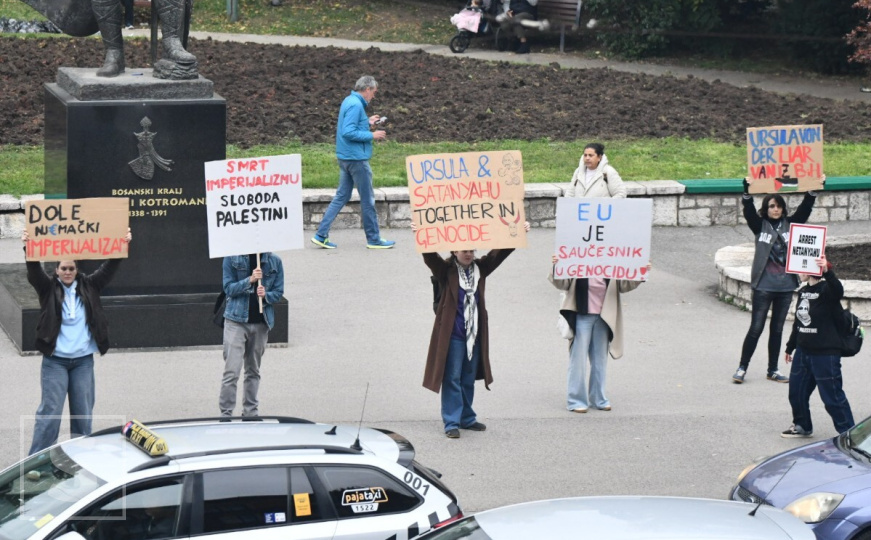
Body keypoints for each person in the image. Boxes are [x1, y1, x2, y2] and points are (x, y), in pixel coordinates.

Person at [23, 229, 132, 455]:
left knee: (83, 415)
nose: (67, 272)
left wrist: (122, 244)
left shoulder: (90, 285)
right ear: (56, 270)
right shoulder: (48, 288)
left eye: (71, 268)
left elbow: (109, 267)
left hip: (83, 362)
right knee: (50, 414)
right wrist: (29, 247)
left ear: (77, 270)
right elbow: (34, 272)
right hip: (55, 362)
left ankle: (81, 460)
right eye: (63, 268)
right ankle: (37, 462)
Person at [420, 223, 529, 439]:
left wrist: (518, 232)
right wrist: (421, 233)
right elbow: (430, 257)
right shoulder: (446, 270)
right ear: (454, 251)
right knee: (452, 378)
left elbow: (500, 253)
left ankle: (467, 418)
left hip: (475, 334)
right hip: (453, 335)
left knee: (468, 377)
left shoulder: (481, 268)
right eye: (464, 250)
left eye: (471, 250)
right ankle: (451, 421)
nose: (469, 254)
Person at [732, 178, 822, 384]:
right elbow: (748, 211)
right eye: (772, 206)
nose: (776, 209)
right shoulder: (759, 226)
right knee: (756, 328)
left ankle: (772, 370)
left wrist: (812, 189)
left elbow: (804, 210)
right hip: (763, 286)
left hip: (786, 287)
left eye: (779, 206)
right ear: (766, 209)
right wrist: (747, 191)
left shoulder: (790, 224)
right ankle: (742, 367)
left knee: (778, 329)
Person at [549, 257, 648, 413]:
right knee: (578, 360)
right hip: (581, 315)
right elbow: (562, 283)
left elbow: (623, 285)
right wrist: (558, 266)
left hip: (603, 317)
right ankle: (576, 401)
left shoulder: (612, 260)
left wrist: (641, 271)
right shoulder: (577, 258)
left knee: (600, 360)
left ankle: (598, 398)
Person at [311, 76, 395, 250]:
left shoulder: (349, 101)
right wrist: (372, 135)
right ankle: (374, 239)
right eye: (374, 92)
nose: (374, 95)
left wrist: (367, 122)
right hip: (357, 159)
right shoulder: (356, 105)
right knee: (368, 199)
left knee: (342, 196)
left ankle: (320, 234)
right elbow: (348, 132)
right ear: (367, 89)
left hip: (345, 157)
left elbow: (350, 126)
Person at [782, 255, 854, 438]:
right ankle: (802, 425)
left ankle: (849, 436)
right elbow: (798, 322)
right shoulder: (803, 291)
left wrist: (827, 272)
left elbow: (838, 290)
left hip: (825, 354)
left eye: (801, 269)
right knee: (796, 392)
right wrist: (790, 347)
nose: (798, 272)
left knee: (832, 397)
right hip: (803, 351)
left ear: (810, 270)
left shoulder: (827, 290)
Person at [220, 252, 284, 417]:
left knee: (253, 370)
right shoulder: (232, 258)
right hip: (236, 321)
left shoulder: (274, 261)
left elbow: (278, 292)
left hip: (261, 323)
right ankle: (226, 414)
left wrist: (266, 295)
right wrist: (250, 280)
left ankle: (250, 412)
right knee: (231, 371)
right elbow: (228, 288)